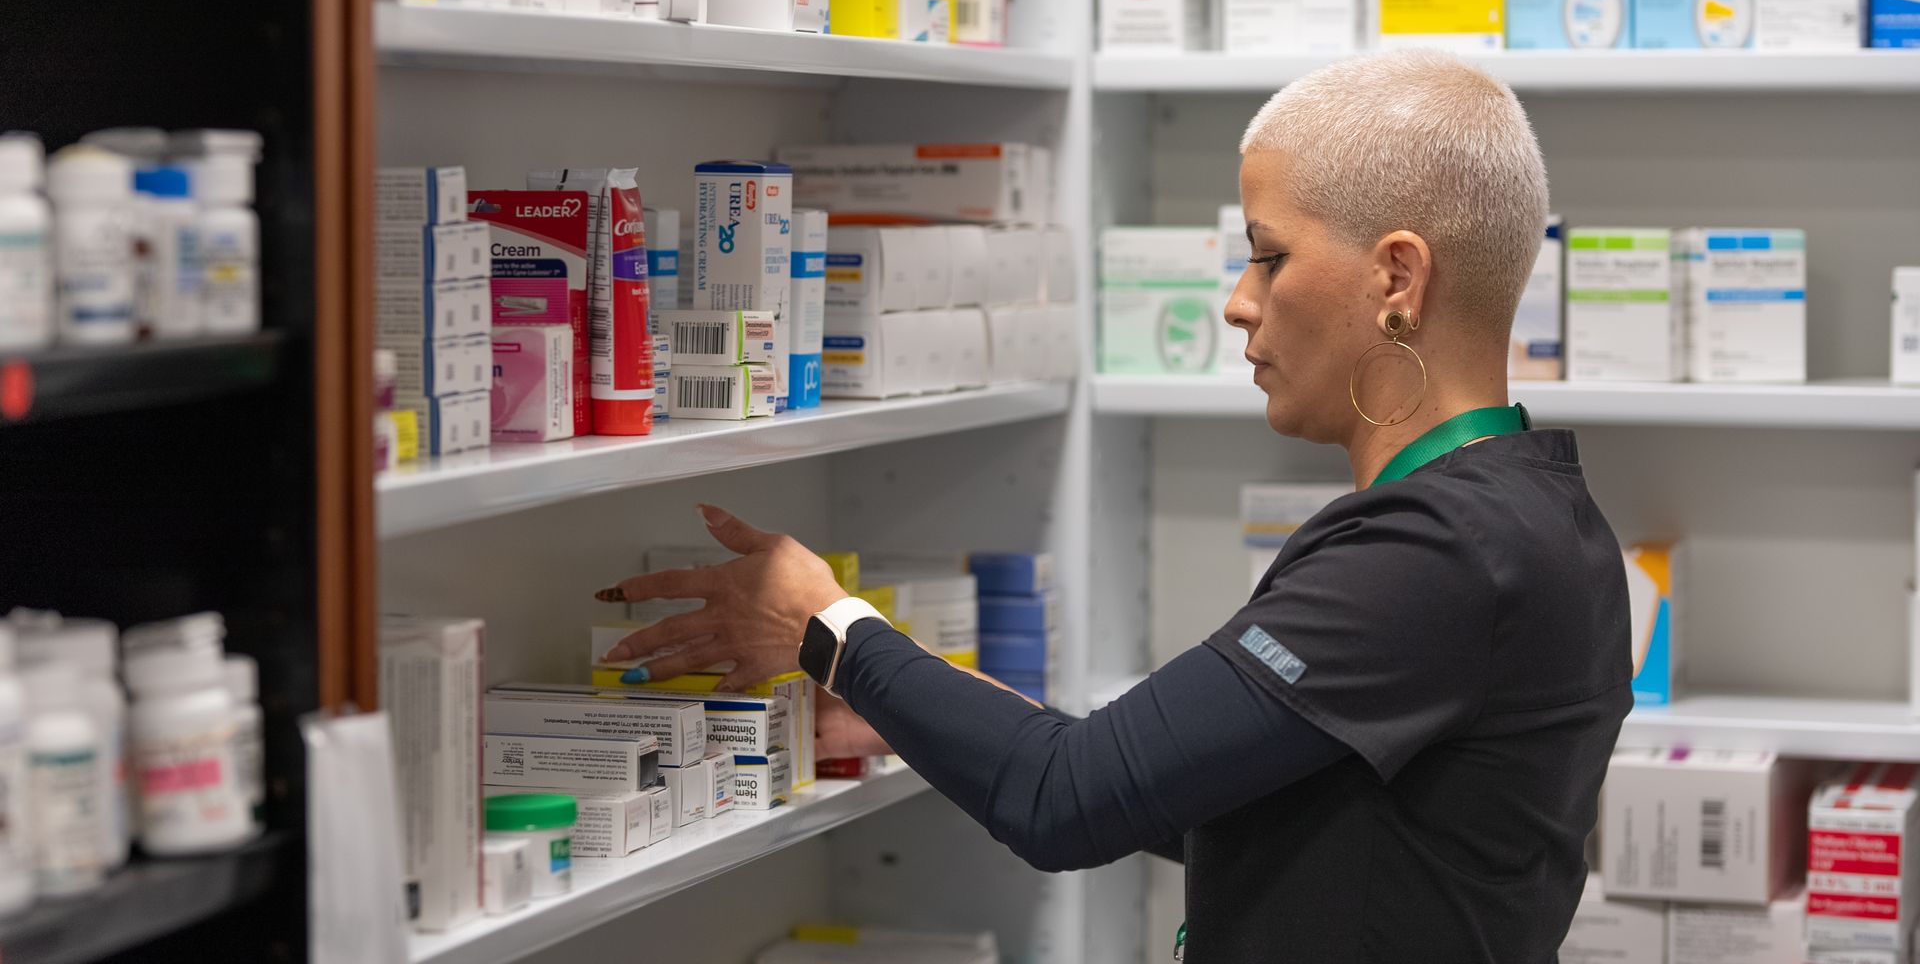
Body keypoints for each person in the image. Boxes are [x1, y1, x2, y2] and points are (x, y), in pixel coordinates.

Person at [600, 51, 1633, 963]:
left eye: (1268, 253)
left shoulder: (1438, 551)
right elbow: (1233, 804)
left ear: (1397, 277)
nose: (1238, 297)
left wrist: (822, 626)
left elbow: (1068, 801)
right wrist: (915, 713)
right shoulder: (1533, 517)